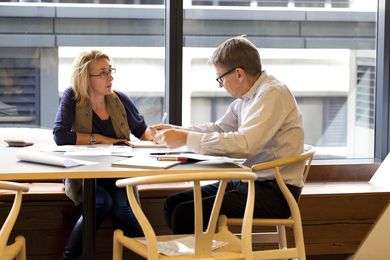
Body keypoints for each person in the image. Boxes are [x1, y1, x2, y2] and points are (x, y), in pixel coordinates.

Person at [152, 36, 304, 234]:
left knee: (186, 212)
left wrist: (186, 139)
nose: (220, 85)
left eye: (220, 78)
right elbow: (220, 129)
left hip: (275, 192)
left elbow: (246, 144)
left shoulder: (272, 94)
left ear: (239, 73)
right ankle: (202, 253)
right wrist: (180, 131)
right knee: (173, 204)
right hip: (250, 181)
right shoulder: (247, 98)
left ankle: (201, 254)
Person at [53, 50, 154, 259]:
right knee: (100, 202)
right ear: (85, 77)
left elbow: (143, 133)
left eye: (110, 71)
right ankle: (68, 257)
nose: (110, 78)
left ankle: (152, 253)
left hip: (118, 173)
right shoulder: (72, 97)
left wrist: (163, 136)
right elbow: (61, 136)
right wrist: (99, 138)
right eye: (102, 73)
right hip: (84, 173)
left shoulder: (120, 100)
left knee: (124, 208)